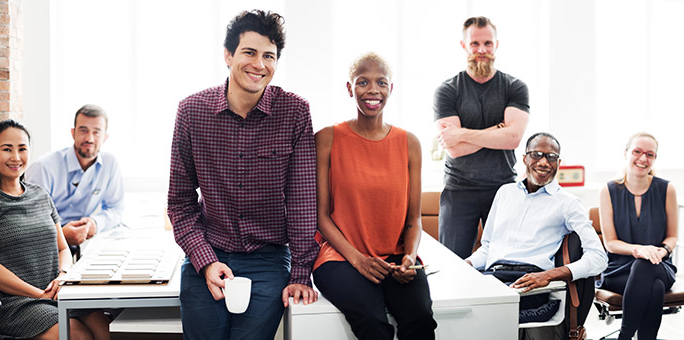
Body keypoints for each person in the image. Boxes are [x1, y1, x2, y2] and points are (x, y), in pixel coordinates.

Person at [167, 10, 318, 339]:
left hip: (269, 260)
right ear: (228, 55)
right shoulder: (191, 112)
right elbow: (180, 202)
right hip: (209, 252)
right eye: (249, 52)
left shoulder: (295, 111)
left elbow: (303, 200)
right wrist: (205, 261)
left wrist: (301, 272)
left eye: (269, 56)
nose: (259, 65)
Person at [311, 53, 437, 340]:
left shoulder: (410, 143)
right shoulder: (327, 139)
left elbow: (413, 218)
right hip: (341, 257)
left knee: (420, 320)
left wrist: (408, 257)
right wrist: (358, 260)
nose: (372, 90)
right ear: (349, 88)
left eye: (381, 82)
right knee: (373, 324)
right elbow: (321, 216)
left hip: (395, 258)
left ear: (391, 89)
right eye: (363, 82)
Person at [0, 120, 111, 340]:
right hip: (13, 303)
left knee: (104, 328)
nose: (15, 157)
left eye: (22, 149)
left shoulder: (40, 194)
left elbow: (63, 249)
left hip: (54, 293)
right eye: (6, 149)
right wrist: (41, 294)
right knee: (78, 335)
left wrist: (63, 276)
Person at [465, 132, 607, 339]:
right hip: (494, 277)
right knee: (454, 301)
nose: (543, 162)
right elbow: (488, 248)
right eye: (536, 154)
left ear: (558, 162)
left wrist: (548, 275)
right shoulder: (505, 193)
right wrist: (465, 266)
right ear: (524, 158)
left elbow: (599, 259)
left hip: (531, 282)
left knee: (485, 310)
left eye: (551, 157)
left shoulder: (567, 202)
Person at [434, 16, 530, 259]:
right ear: (464, 45)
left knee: (504, 264)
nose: (482, 50)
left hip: (503, 188)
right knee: (452, 265)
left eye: (488, 43)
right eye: (475, 44)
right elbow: (453, 149)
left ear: (496, 45)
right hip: (458, 190)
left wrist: (463, 134)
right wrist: (497, 129)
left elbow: (513, 138)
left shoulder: (514, 87)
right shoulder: (447, 90)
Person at [596, 132, 678, 340]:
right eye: (637, 152)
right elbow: (611, 243)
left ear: (655, 159)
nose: (643, 159)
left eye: (650, 154)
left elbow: (672, 237)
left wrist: (663, 250)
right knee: (654, 286)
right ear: (626, 153)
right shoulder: (608, 190)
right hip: (620, 269)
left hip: (659, 264)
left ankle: (625, 337)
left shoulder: (667, 189)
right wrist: (637, 250)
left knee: (647, 267)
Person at [27, 104, 125, 250]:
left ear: (105, 137)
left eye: (96, 132)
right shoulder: (43, 167)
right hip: (45, 246)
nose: (89, 138)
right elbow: (30, 221)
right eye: (83, 130)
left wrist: (95, 223)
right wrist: (60, 235)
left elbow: (116, 209)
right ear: (73, 133)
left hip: (85, 242)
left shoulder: (110, 163)